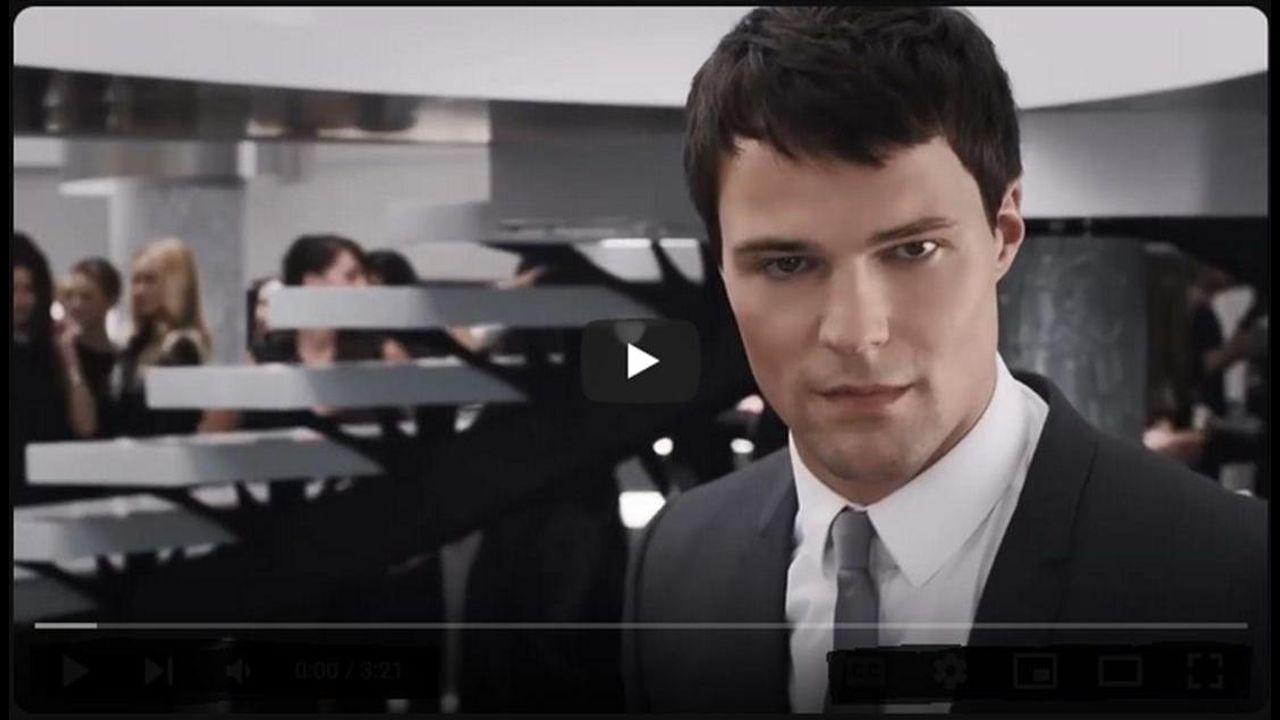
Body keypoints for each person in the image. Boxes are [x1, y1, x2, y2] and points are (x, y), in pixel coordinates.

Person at [623, 7, 1268, 713]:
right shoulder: (676, 564)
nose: (856, 332)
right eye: (785, 263)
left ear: (1004, 233)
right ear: (722, 267)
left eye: (913, 250)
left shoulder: (1232, 573)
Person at [115, 238, 210, 437]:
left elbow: (174, 421)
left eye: (150, 281)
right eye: (136, 281)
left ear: (176, 285)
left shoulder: (181, 347)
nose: (139, 291)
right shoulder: (135, 345)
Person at [12, 232, 74, 503]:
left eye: (29, 290)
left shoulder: (51, 349)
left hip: (50, 487)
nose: (22, 300)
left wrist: (70, 359)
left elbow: (84, 425)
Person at [60, 256, 123, 438]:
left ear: (110, 300)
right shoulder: (61, 353)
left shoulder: (123, 360)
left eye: (86, 297)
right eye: (70, 296)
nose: (76, 304)